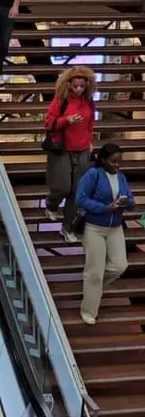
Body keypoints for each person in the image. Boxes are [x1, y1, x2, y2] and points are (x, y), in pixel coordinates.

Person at [76, 144, 134, 326]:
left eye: (119, 162)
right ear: (103, 160)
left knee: (119, 266)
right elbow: (81, 199)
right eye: (113, 162)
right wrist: (106, 208)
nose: (117, 166)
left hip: (115, 227)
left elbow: (131, 199)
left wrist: (127, 203)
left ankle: (92, 289)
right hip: (94, 227)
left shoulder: (121, 177)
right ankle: (88, 311)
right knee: (94, 272)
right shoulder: (93, 175)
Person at [44, 66, 95, 243]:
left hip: (82, 150)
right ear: (69, 85)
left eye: (82, 86)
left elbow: (90, 123)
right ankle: (51, 204)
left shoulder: (88, 101)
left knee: (77, 191)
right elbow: (49, 123)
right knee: (63, 187)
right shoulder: (60, 101)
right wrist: (66, 120)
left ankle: (67, 228)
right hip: (62, 149)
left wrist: (89, 141)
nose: (79, 89)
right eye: (75, 86)